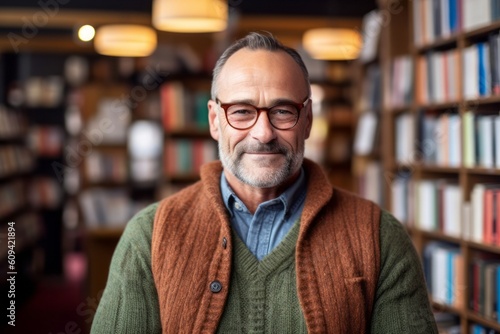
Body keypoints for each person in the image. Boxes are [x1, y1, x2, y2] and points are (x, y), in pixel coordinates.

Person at [91, 32, 438, 333]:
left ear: (307, 120)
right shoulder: (149, 237)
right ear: (215, 121)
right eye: (241, 111)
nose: (263, 133)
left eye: (283, 111)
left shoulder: (379, 237)